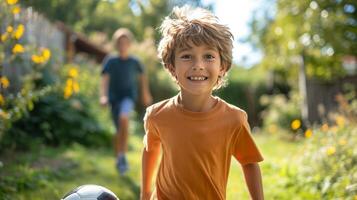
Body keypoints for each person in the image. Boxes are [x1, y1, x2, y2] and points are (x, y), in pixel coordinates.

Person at [140, 6, 264, 200]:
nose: (198, 65)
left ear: (222, 67)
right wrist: (145, 195)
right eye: (187, 56)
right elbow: (150, 150)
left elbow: (249, 162)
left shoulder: (234, 119)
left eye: (208, 56)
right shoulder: (157, 115)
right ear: (172, 67)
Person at [100, 28, 152, 175]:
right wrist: (103, 96)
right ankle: (119, 157)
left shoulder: (135, 62)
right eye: (120, 42)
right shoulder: (111, 61)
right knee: (118, 131)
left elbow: (143, 78)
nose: (123, 44)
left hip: (128, 97)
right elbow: (104, 79)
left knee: (124, 117)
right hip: (113, 99)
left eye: (125, 42)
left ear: (129, 44)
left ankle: (122, 156)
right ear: (116, 44)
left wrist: (145, 94)